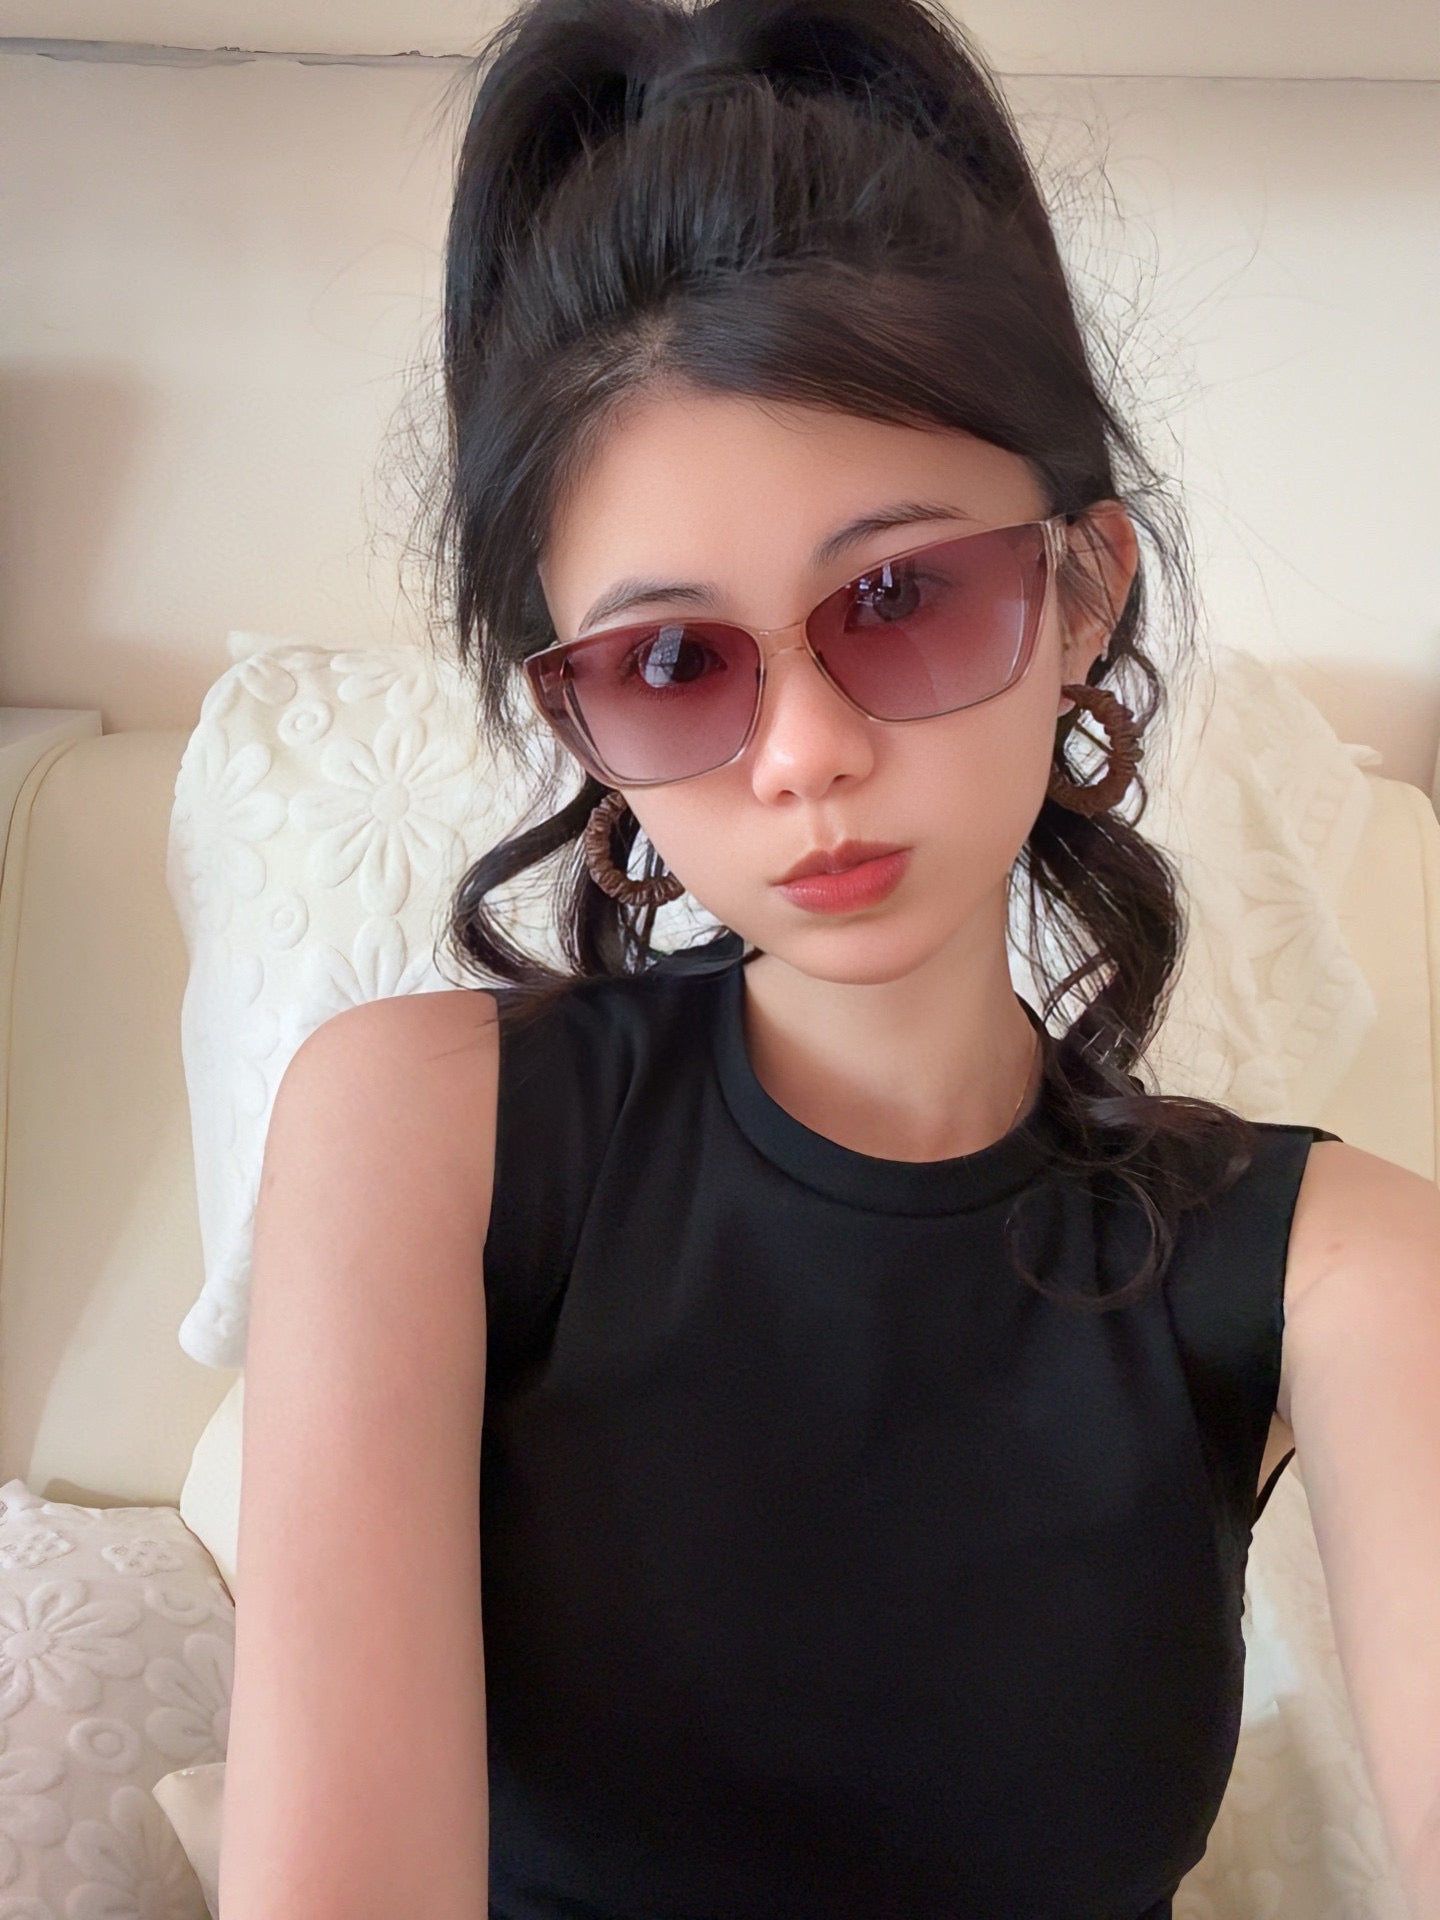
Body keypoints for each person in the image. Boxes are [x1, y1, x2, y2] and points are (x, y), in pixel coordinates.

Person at [217, 2, 1440, 1916]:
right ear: (575, 713)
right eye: (671, 661)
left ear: (1082, 590)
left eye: (900, 597)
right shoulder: (421, 1131)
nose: (803, 755)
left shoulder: (1343, 1266)